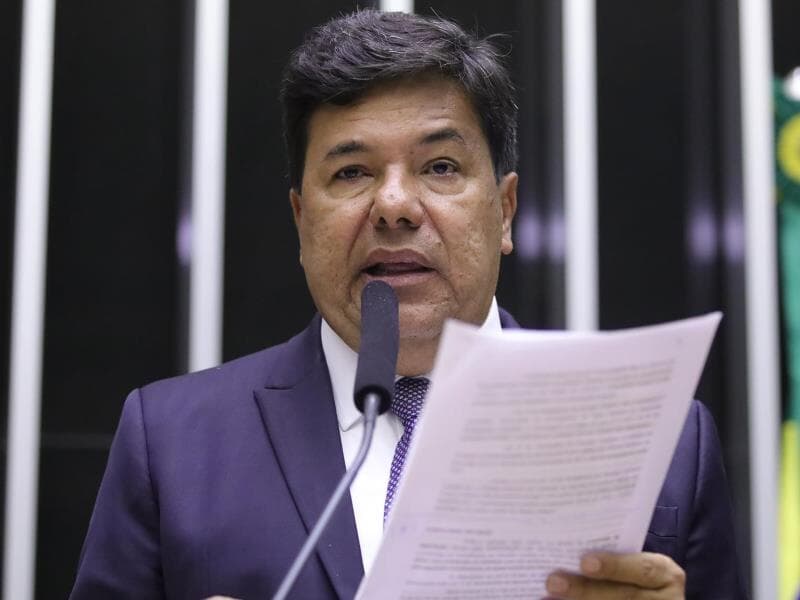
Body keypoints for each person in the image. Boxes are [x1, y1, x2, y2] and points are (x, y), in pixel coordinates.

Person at [71, 9, 747, 599]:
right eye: (352, 172)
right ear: (302, 221)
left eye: (440, 167)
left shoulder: (658, 439)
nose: (394, 205)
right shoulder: (171, 440)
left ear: (505, 210)